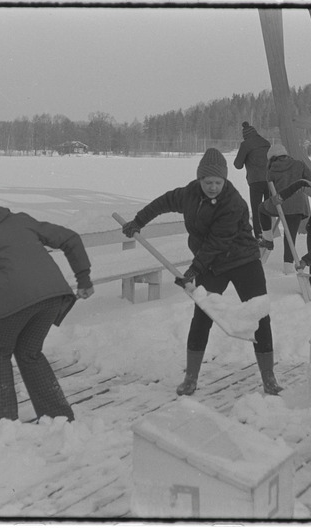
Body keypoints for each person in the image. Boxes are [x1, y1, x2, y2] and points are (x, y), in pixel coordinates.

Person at [121, 148, 282, 396]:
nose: (213, 187)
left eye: (218, 182)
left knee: (258, 314)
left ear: (225, 181)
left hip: (242, 260)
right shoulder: (189, 195)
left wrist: (193, 270)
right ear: (200, 180)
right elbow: (163, 202)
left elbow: (219, 241)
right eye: (208, 182)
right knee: (202, 317)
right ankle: (191, 378)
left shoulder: (233, 203)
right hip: (212, 264)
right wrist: (138, 221)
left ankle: (268, 378)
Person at [0, 192, 94, 425]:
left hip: (12, 301)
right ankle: (58, 417)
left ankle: (2, 424)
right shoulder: (19, 220)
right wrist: (84, 279)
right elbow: (70, 238)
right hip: (52, 296)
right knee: (29, 352)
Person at [264, 143, 311, 274]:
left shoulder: (271, 171)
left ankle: (267, 238)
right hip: (298, 205)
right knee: (290, 234)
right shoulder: (299, 165)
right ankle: (288, 264)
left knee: (261, 210)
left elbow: (271, 193)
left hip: (281, 205)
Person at [233, 122, 273, 250]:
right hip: (270, 180)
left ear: (245, 135)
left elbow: (237, 164)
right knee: (267, 208)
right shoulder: (266, 142)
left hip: (255, 180)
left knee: (256, 209)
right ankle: (269, 235)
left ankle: (259, 236)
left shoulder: (246, 145)